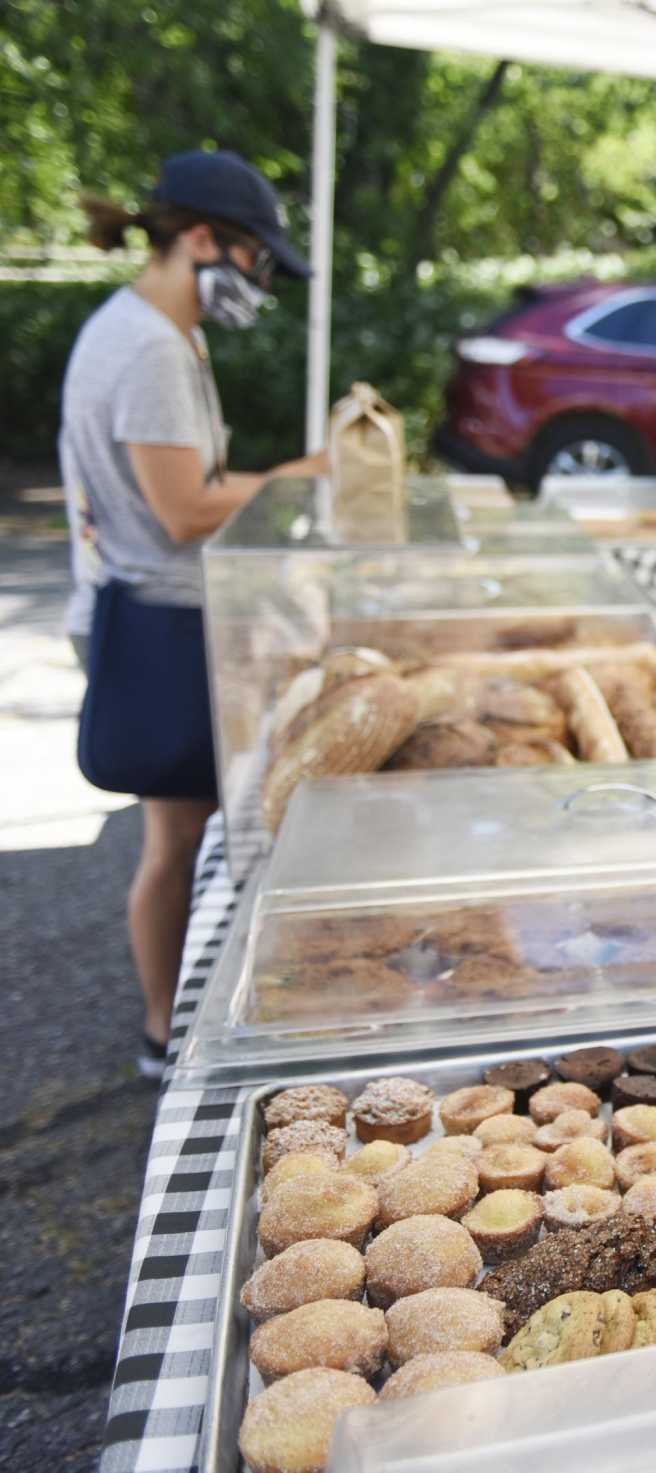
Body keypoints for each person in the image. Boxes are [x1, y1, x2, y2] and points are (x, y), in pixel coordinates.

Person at [61, 149, 324, 1077]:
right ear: (202, 240)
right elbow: (185, 507)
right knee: (179, 841)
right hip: (160, 621)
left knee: (189, 836)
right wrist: (300, 477)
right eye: (254, 258)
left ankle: (177, 1018)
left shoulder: (158, 335)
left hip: (165, 612)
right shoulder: (146, 347)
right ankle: (166, 1035)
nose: (257, 280)